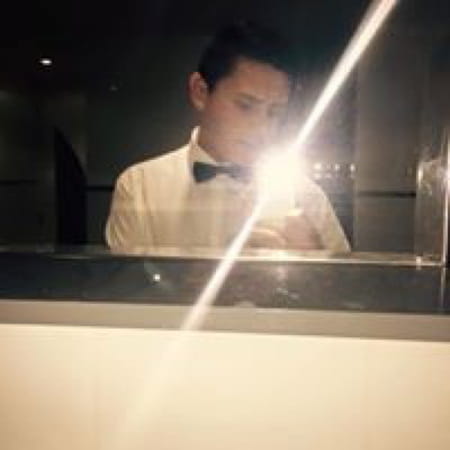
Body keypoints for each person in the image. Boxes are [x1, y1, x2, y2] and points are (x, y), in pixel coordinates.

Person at [105, 21, 350, 252]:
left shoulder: (308, 198)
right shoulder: (140, 188)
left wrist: (312, 264)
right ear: (200, 92)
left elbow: (350, 282)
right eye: (245, 105)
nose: (262, 128)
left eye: (274, 112)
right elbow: (125, 282)